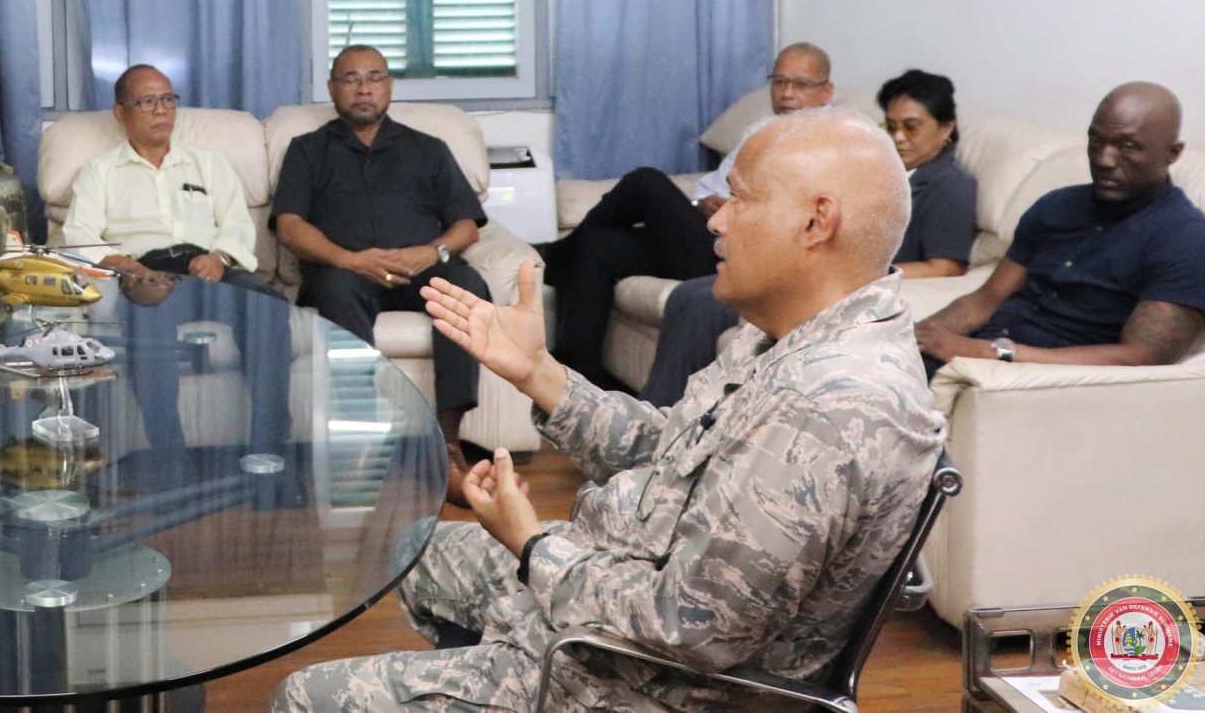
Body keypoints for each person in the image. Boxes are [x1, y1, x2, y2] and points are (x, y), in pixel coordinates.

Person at [273, 109, 945, 711]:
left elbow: (692, 629)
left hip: (635, 681)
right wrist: (539, 373)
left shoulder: (827, 405)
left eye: (738, 199)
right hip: (613, 585)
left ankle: (500, 683)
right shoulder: (785, 335)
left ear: (816, 221)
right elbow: (670, 445)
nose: (714, 219)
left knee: (302, 697)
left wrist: (533, 544)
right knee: (419, 548)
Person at [638, 68, 978, 407]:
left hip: (839, 277)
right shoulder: (882, 169)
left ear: (946, 128)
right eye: (891, 126)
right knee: (687, 292)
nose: (899, 137)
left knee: (700, 301)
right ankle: (667, 414)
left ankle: (666, 410)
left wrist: (860, 270)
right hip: (810, 261)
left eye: (912, 126)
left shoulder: (949, 184)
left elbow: (946, 267)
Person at [538, 43, 835, 388]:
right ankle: (576, 381)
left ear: (826, 92)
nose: (786, 93)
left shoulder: (829, 144)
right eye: (779, 81)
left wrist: (737, 209)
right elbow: (708, 188)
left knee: (646, 183)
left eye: (800, 84)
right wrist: (705, 202)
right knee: (597, 245)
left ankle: (551, 258)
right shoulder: (761, 130)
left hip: (736, 256)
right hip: (709, 233)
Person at [273, 45, 491, 505]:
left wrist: (430, 252)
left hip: (421, 269)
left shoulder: (428, 149)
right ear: (332, 88)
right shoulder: (307, 150)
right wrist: (349, 259)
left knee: (467, 286)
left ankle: (447, 443)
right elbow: (290, 227)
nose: (363, 88)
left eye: (374, 77)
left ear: (389, 86)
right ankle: (361, 438)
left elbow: (467, 226)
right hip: (346, 273)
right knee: (335, 291)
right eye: (351, 79)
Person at [915, 81, 1205, 373]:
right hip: (982, 356)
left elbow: (1139, 357)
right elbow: (985, 300)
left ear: (1172, 153)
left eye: (1127, 147)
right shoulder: (1056, 206)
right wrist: (918, 337)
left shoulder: (1187, 240)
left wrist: (986, 352)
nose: (1104, 160)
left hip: (1039, 379)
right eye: (1095, 141)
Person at [61, 64, 277, 296]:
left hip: (207, 268)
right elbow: (79, 235)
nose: (161, 110)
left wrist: (219, 258)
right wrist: (128, 267)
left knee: (270, 301)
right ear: (120, 113)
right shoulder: (100, 170)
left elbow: (237, 223)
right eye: (148, 101)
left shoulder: (209, 163)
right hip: (139, 273)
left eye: (167, 100)